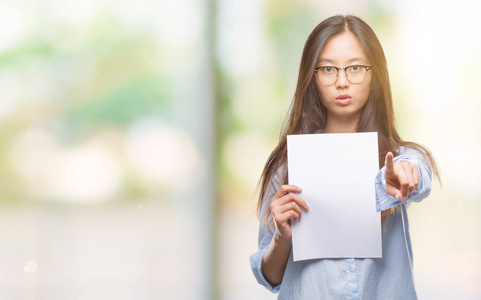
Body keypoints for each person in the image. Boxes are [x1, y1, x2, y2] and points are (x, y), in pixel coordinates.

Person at [249, 15, 440, 299]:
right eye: (327, 69)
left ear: (375, 74)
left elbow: (417, 173)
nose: (342, 82)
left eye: (355, 68)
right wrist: (281, 236)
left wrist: (405, 172)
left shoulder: (400, 156)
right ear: (311, 76)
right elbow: (270, 278)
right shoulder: (287, 164)